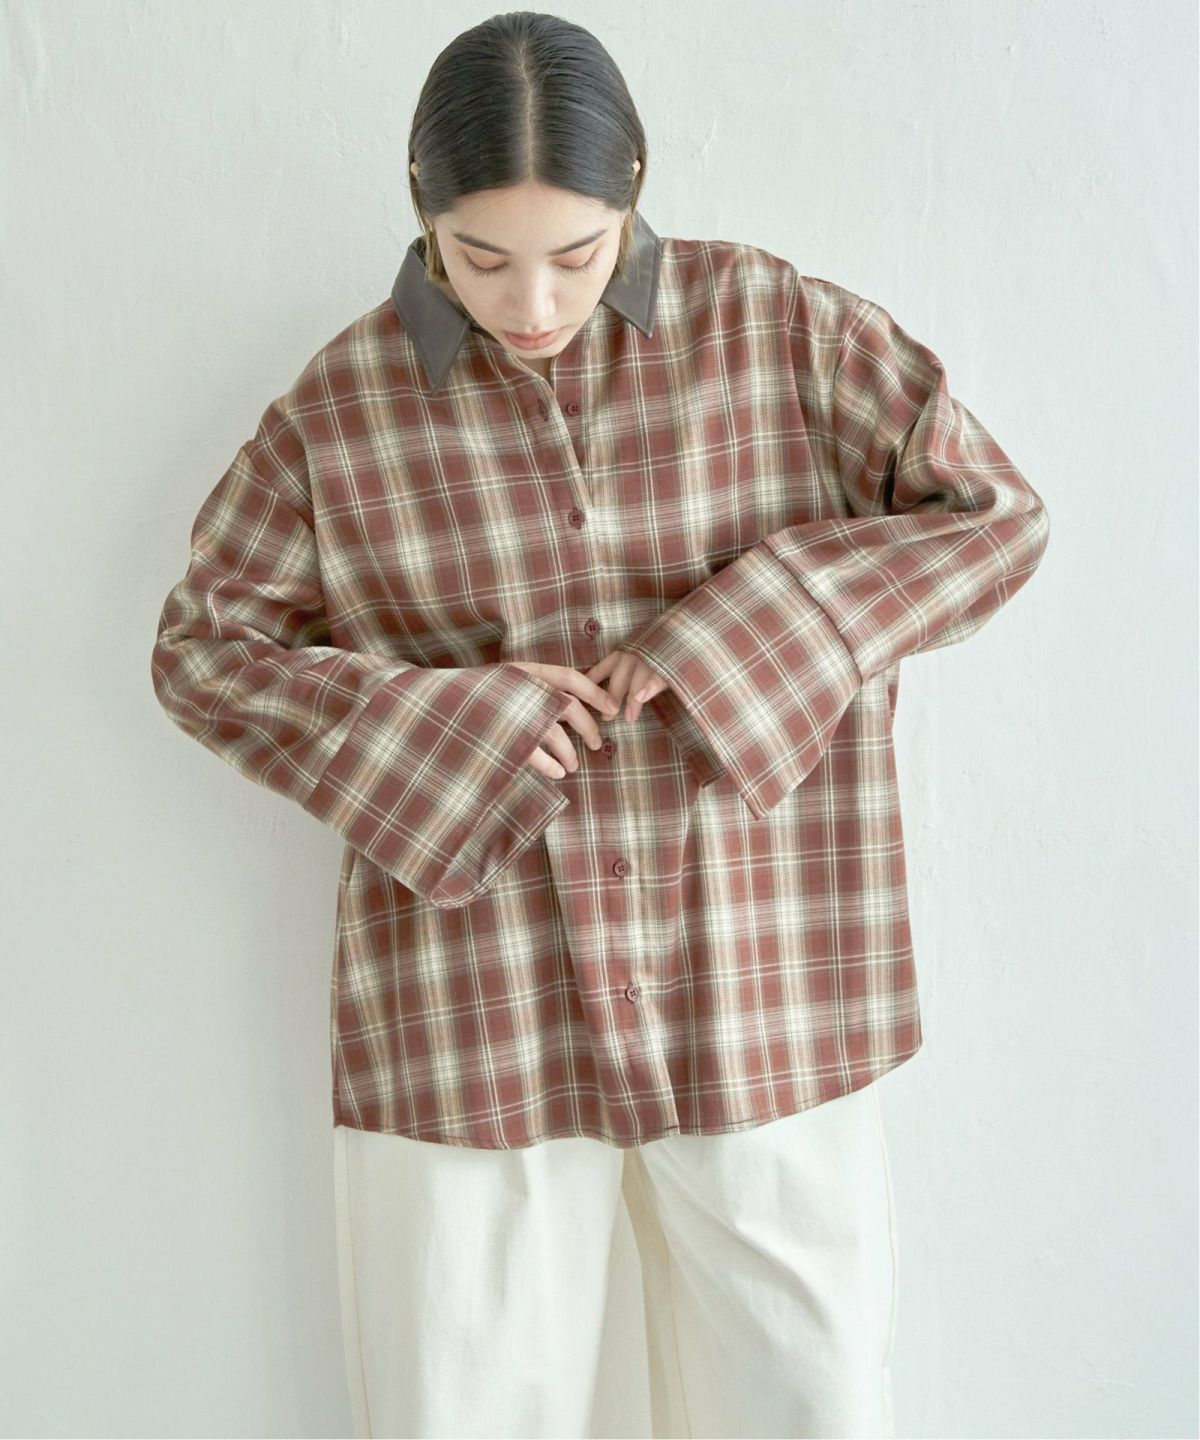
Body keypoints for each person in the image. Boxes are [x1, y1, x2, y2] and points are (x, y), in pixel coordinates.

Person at [150, 11, 1050, 1439]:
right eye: (480, 257)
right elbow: (204, 653)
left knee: (807, 1405)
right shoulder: (338, 413)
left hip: (761, 973)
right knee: (464, 1413)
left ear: (633, 182)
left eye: (576, 255)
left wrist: (740, 636)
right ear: (419, 203)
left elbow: (992, 519)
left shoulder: (778, 329)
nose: (531, 302)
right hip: (471, 1007)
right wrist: (461, 733)